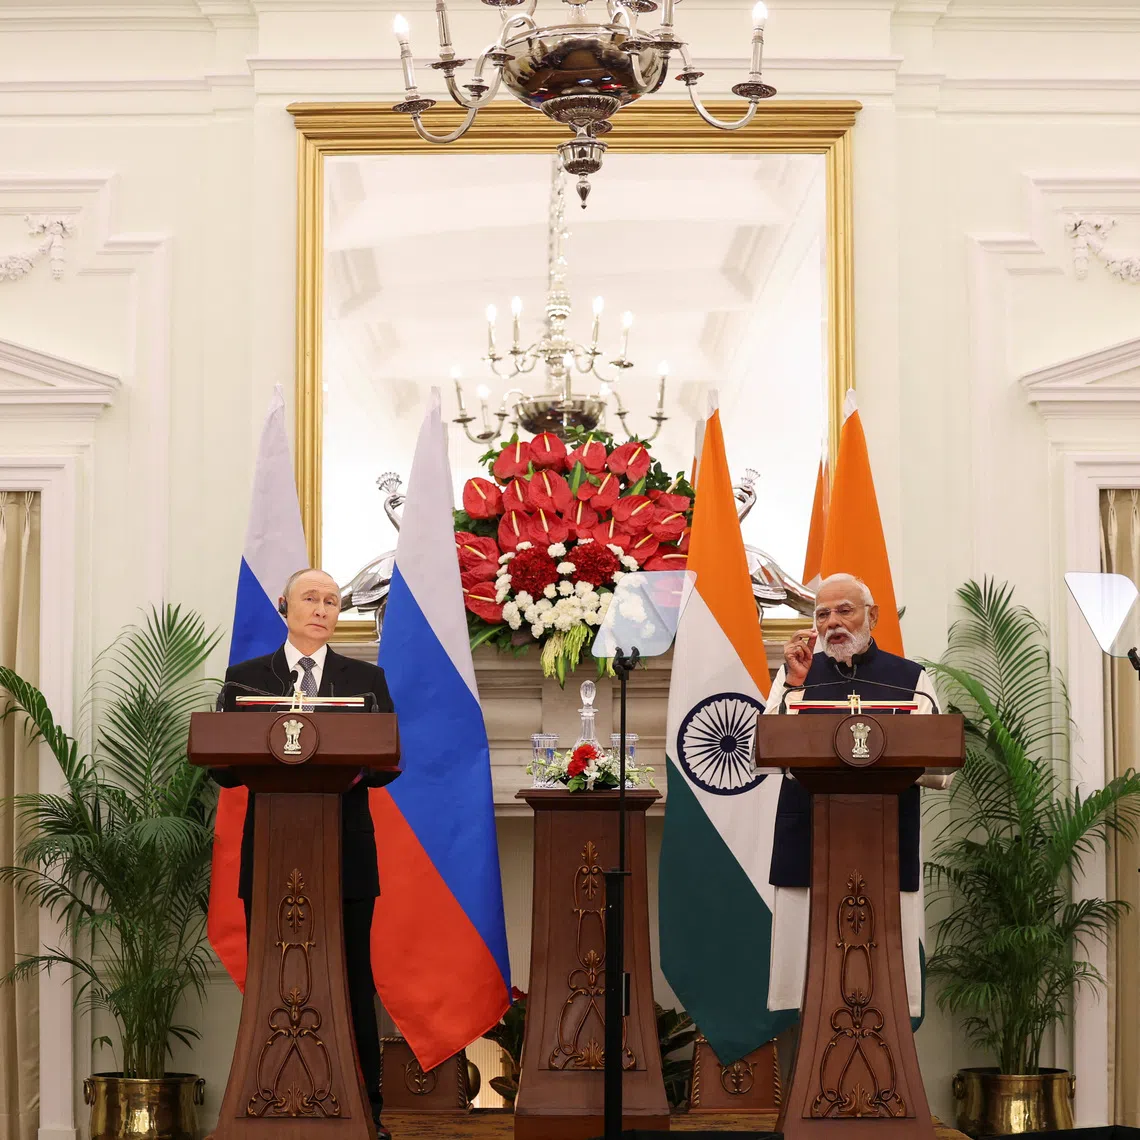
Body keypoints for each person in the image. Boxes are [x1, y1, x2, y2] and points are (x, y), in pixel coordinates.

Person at [211, 567, 394, 1140]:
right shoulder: (245, 679)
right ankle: (263, 1103)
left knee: (350, 980)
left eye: (332, 601)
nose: (321, 608)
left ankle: (368, 1112)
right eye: (310, 598)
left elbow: (387, 764)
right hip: (271, 859)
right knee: (276, 976)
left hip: (346, 857)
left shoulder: (366, 679)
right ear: (285, 607)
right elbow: (221, 765)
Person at [762, 572, 949, 1018]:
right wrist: (794, 684)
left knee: (883, 990)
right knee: (811, 986)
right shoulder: (797, 675)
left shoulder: (909, 677)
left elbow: (939, 763)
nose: (832, 622)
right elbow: (766, 747)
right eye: (822, 614)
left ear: (872, 616)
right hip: (810, 830)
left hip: (882, 836)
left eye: (844, 609)